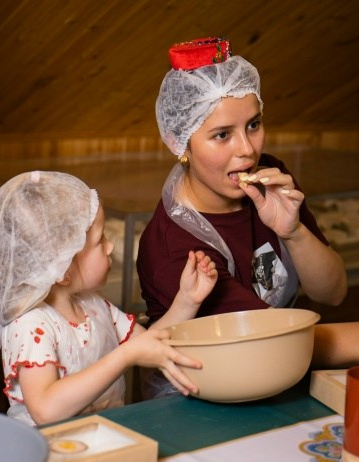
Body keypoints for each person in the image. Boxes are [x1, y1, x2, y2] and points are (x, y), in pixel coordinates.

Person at [136, 36, 347, 396]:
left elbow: (333, 292)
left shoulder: (271, 179)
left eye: (254, 124)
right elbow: (274, 343)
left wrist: (294, 231)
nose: (247, 150)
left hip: (277, 374)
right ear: (178, 143)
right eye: (222, 135)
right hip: (206, 402)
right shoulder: (176, 250)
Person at [0, 170, 218, 426]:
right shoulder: (31, 325)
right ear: (62, 269)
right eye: (100, 241)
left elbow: (150, 343)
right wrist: (125, 356)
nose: (110, 247)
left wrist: (187, 299)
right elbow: (45, 409)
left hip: (102, 442)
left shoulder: (94, 305)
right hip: (53, 453)